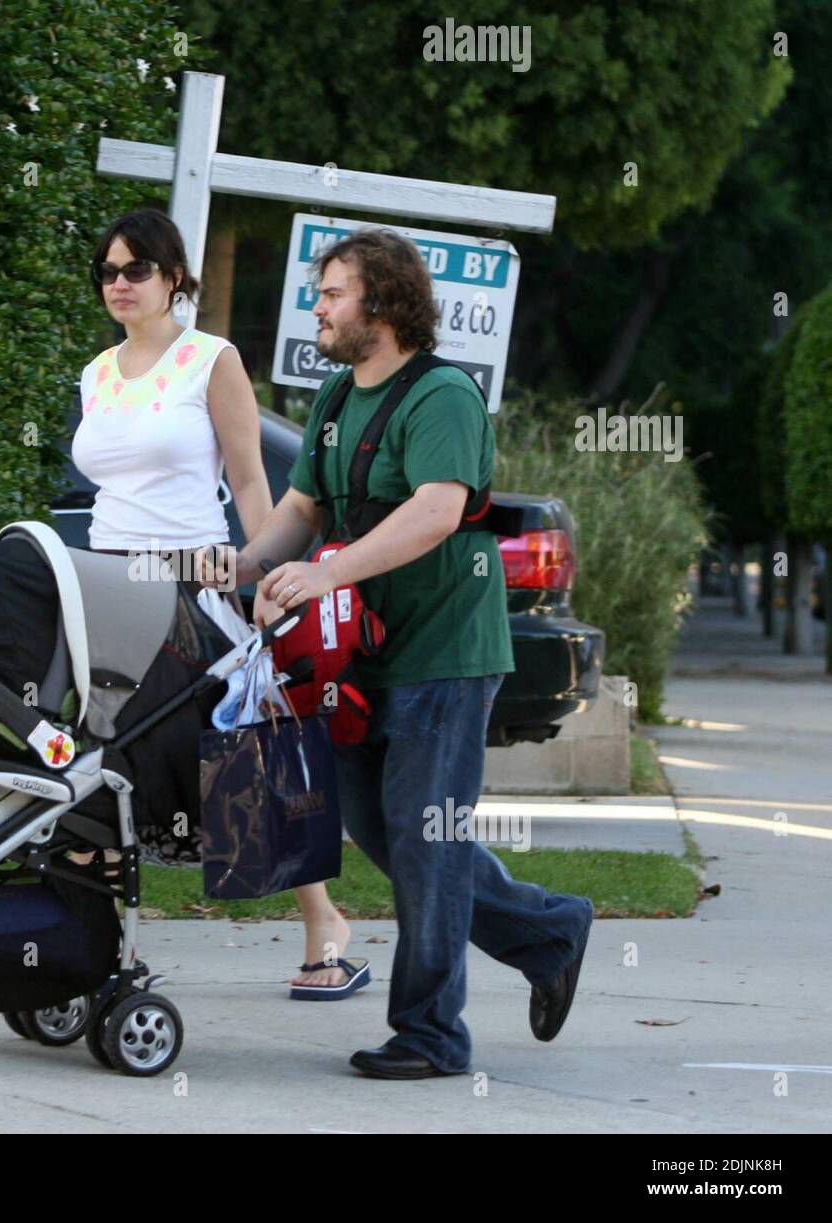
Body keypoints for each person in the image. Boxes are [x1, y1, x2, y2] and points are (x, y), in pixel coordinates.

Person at [196, 228, 593, 1077]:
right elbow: (301, 508)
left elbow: (438, 511)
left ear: (382, 301)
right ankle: (550, 929)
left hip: (446, 651)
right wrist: (245, 570)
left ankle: (432, 1034)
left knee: (426, 835)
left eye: (332, 293)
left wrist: (327, 573)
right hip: (367, 658)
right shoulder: (340, 397)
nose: (319, 307)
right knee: (388, 832)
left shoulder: (442, 395)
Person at [72, 207, 370, 999]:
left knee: (241, 757)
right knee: (101, 760)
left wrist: (258, 574)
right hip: (106, 583)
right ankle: (94, 942)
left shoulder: (212, 360)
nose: (119, 284)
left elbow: (249, 483)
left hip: (193, 581)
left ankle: (323, 921)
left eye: (136, 269)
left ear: (175, 277)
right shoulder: (96, 374)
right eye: (108, 271)